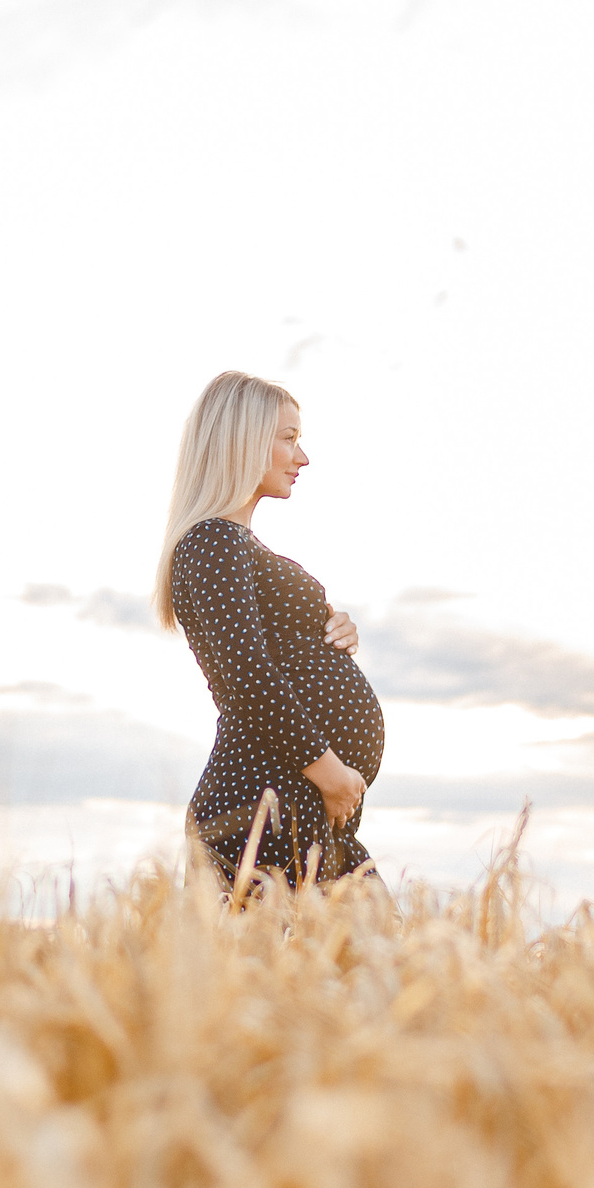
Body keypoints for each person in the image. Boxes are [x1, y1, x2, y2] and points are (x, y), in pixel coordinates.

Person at [154, 370, 384, 888]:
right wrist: (332, 774)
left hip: (298, 805)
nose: (303, 458)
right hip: (264, 808)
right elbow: (246, 676)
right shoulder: (212, 542)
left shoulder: (236, 546)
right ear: (243, 441)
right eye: (289, 438)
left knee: (379, 942)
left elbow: (273, 648)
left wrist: (332, 630)